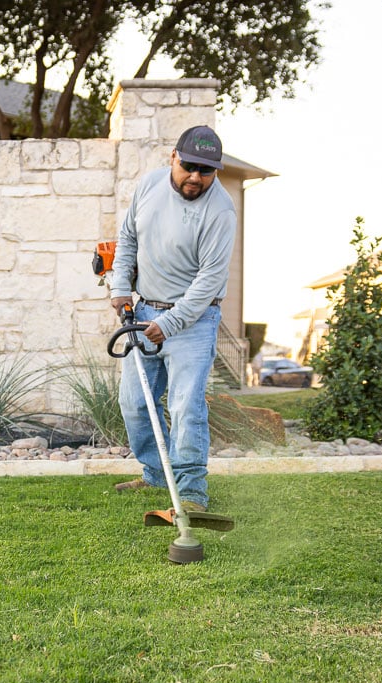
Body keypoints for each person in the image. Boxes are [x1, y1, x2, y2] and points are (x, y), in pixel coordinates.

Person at [108, 125, 237, 511]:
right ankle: (155, 475)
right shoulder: (149, 186)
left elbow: (208, 280)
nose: (196, 177)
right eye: (188, 166)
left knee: (185, 405)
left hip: (193, 322)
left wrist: (170, 324)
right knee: (134, 402)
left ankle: (193, 491)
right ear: (172, 158)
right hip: (144, 310)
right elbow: (128, 237)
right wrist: (120, 285)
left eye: (206, 170)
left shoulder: (221, 211)